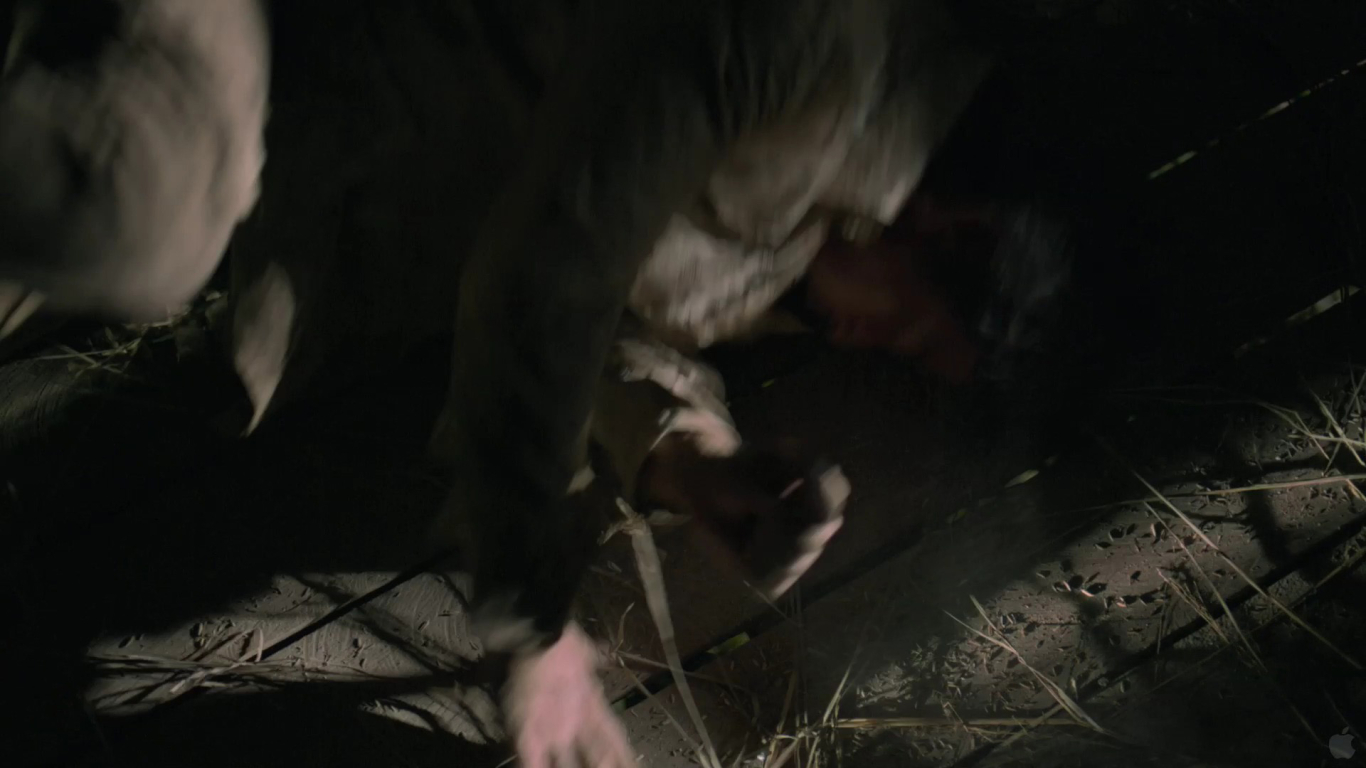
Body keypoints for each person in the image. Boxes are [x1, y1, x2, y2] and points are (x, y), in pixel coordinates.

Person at [0, 1, 1003, 764]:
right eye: (910, 334)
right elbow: (543, 281)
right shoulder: (795, 44)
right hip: (314, 35)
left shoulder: (806, 234)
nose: (870, 345)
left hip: (316, 162)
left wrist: (686, 452)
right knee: (133, 204)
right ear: (952, 228)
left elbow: (603, 299)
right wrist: (532, 618)